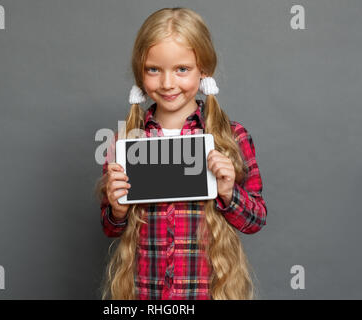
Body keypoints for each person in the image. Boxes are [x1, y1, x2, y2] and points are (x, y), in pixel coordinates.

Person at [95, 7, 267, 300]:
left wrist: (228, 191)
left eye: (182, 69)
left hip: (209, 290)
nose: (167, 83)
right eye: (154, 69)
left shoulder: (231, 136)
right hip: (143, 291)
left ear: (204, 70)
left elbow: (256, 220)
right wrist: (117, 209)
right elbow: (110, 228)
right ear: (140, 71)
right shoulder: (125, 141)